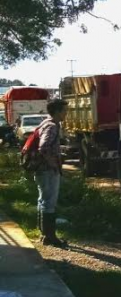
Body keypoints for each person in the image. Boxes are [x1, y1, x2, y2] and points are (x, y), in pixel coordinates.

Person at [35, 99, 69, 247]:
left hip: (41, 170)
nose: (65, 114)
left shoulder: (45, 123)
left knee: (43, 201)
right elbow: (43, 147)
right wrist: (53, 164)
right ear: (56, 112)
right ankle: (50, 237)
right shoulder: (52, 126)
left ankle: (44, 235)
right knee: (49, 203)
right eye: (64, 111)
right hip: (48, 170)